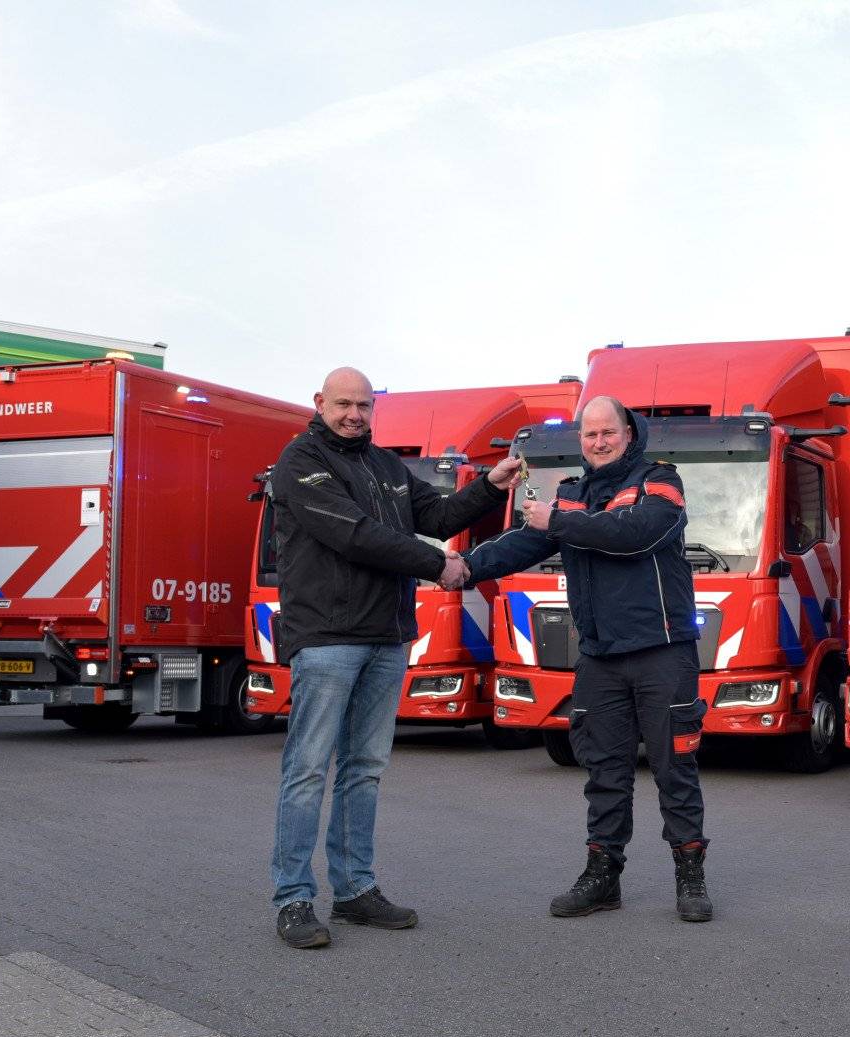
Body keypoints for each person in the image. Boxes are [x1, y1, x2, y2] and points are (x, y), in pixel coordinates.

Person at [269, 366, 521, 949]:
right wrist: (439, 565)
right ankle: (293, 899)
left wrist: (490, 484)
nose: (354, 414)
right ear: (319, 403)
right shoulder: (299, 462)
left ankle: (355, 890)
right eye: (343, 404)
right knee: (307, 771)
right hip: (328, 638)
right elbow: (355, 534)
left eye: (363, 405)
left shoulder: (384, 466)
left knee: (364, 768)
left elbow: (434, 517)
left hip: (385, 637)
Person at [461, 395, 714, 922]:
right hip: (599, 656)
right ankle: (603, 876)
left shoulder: (659, 481)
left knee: (674, 768)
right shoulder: (571, 495)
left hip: (662, 652)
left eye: (608, 432)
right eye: (590, 434)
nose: (599, 442)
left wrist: (557, 522)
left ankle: (690, 875)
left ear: (629, 432)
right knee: (604, 770)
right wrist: (462, 567)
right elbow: (520, 544)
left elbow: (632, 536)